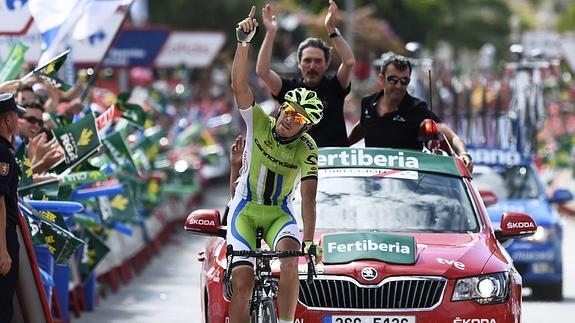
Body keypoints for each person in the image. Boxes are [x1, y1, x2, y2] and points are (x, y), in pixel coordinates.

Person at [229, 7, 322, 323]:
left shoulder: (307, 148)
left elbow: (308, 198)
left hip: (279, 213)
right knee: (242, 281)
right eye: (288, 111)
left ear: (306, 128)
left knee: (292, 259)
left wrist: (308, 242)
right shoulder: (259, 123)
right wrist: (243, 44)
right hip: (246, 208)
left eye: (299, 119)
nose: (288, 120)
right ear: (281, 108)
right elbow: (240, 86)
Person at [348, 52, 473, 172]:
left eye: (404, 81)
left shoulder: (416, 108)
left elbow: (449, 134)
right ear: (382, 79)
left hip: (407, 186)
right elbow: (362, 127)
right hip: (372, 181)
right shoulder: (368, 103)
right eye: (393, 80)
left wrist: (463, 154)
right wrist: (340, 148)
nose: (398, 86)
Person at [256, 0, 355, 147]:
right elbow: (263, 71)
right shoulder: (289, 89)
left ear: (326, 64)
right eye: (307, 61)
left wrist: (331, 29)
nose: (312, 66)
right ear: (299, 63)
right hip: (297, 165)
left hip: (334, 163)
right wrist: (271, 33)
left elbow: (349, 62)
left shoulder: (336, 85)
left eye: (318, 61)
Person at [0, 92, 26, 322]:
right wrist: (2, 249)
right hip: (2, 235)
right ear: (8, 120)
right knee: (3, 304)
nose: (19, 122)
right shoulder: (2, 154)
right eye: (16, 116)